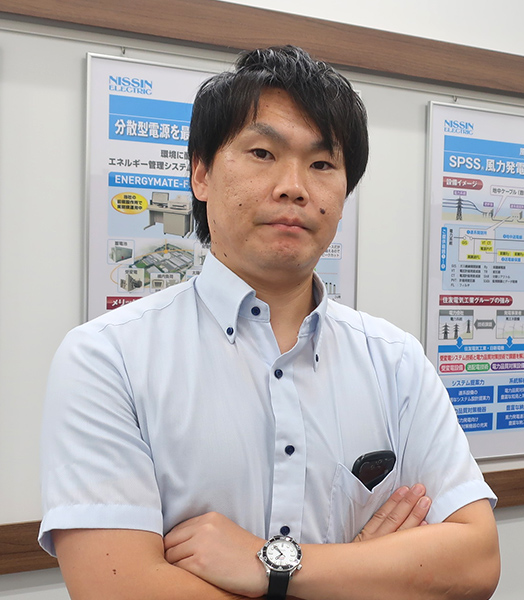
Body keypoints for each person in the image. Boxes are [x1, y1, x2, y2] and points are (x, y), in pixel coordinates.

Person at [39, 46, 500, 600]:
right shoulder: (107, 359)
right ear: (201, 174)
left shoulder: (395, 359)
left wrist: (275, 566)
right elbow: (119, 590)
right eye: (262, 153)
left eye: (322, 164)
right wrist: (363, 570)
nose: (294, 186)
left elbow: (475, 563)